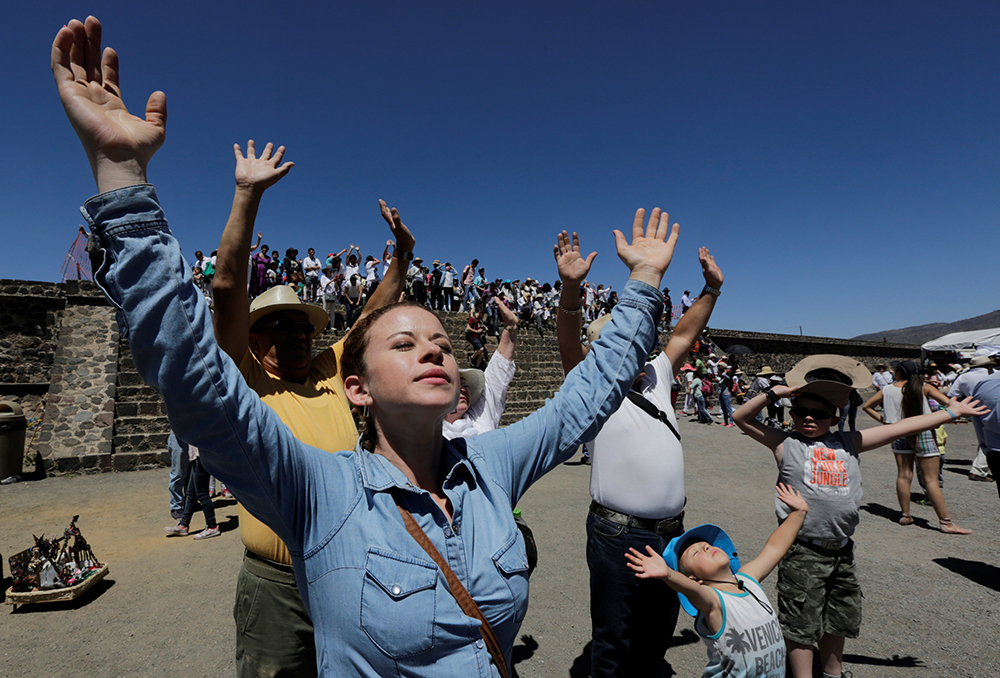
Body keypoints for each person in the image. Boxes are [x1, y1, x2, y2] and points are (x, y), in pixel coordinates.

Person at [53, 19, 682, 673]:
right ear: (358, 386)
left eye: (439, 340)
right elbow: (193, 371)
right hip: (277, 568)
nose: (435, 350)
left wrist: (641, 285)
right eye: (406, 343)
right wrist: (122, 179)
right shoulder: (317, 485)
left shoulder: (493, 465)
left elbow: (587, 394)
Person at [211, 143, 412, 674]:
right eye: (283, 325)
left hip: (345, 565)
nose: (300, 334)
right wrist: (246, 196)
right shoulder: (245, 380)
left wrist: (402, 260)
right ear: (253, 339)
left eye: (305, 326)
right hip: (275, 585)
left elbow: (373, 314)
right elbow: (227, 287)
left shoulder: (327, 371)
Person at [732, 354, 987, 678]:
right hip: (801, 549)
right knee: (800, 623)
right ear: (791, 414)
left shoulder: (849, 442)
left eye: (820, 414)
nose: (809, 418)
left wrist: (952, 412)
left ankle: (833, 673)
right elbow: (742, 418)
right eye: (801, 412)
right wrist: (776, 394)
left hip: (841, 549)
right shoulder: (785, 444)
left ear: (835, 418)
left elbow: (901, 427)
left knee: (839, 616)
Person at [555, 228, 725, 678]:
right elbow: (569, 345)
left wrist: (712, 289)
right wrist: (571, 288)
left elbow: (686, 334)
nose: (630, 349)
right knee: (614, 635)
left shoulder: (656, 375)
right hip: (618, 535)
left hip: (671, 533)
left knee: (656, 631)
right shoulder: (591, 384)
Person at [625, 483, 810, 678]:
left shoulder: (748, 580)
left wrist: (798, 514)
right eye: (696, 553)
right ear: (695, 579)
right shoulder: (713, 602)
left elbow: (773, 548)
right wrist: (667, 574)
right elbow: (691, 590)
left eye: (706, 545)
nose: (705, 548)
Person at [861, 360, 972, 532]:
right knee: (931, 480)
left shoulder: (887, 389)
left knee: (904, 475)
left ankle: (905, 515)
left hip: (897, 433)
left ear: (898, 372)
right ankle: (945, 522)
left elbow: (867, 406)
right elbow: (949, 403)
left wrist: (886, 422)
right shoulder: (924, 387)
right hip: (924, 432)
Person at [443, 300, 519, 439]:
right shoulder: (426, 428)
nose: (463, 389)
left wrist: (511, 328)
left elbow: (497, 374)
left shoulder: (480, 416)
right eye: (456, 385)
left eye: (464, 385)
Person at [948, 354, 998, 482]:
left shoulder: (964, 377)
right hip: (991, 408)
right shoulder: (991, 376)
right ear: (988, 365)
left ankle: (980, 469)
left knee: (984, 439)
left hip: (973, 407)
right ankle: (978, 470)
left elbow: (953, 395)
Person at [163, 439, 220, 540]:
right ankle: (183, 525)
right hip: (195, 455)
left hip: (202, 455)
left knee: (202, 493)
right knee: (191, 493)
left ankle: (212, 526)